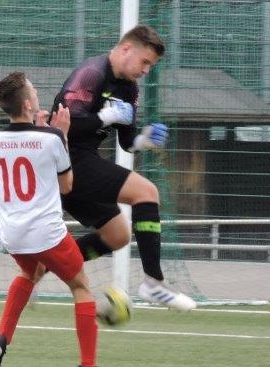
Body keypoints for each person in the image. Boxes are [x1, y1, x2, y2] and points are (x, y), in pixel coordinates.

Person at [53, 24, 195, 311]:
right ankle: (153, 283)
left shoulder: (129, 88)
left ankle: (48, 265)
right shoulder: (92, 73)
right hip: (64, 160)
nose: (146, 70)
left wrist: (145, 140)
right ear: (127, 49)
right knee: (146, 192)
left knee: (117, 236)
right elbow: (65, 127)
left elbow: (127, 143)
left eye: (151, 66)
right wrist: (105, 118)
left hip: (82, 162)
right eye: (145, 62)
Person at [0, 71, 111, 367]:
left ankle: (0, 338)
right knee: (80, 286)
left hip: (11, 233)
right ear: (28, 104)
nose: (37, 92)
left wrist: (44, 131)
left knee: (30, 273)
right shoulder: (51, 138)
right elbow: (66, 185)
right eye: (33, 90)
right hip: (45, 233)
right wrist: (61, 134)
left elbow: (27, 150)